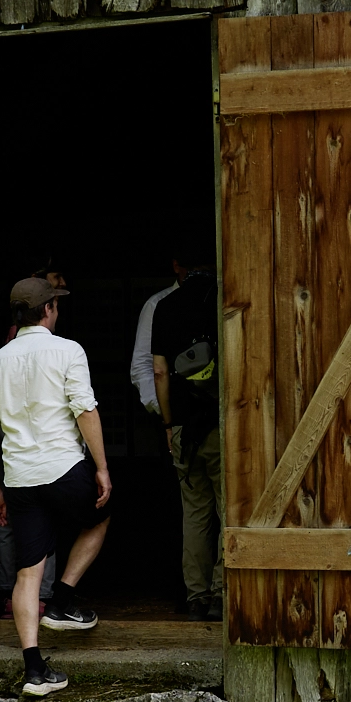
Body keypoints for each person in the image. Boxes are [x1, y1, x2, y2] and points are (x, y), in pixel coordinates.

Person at [0, 275, 112, 695]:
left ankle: (34, 670)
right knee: (100, 516)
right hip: (64, 467)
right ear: (47, 310)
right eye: (56, 304)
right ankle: (64, 601)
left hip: (19, 478)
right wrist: (103, 468)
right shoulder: (68, 350)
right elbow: (85, 410)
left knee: (27, 572)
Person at [147, 243, 223, 619]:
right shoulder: (223, 300)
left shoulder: (165, 307)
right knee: (229, 510)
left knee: (194, 513)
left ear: (179, 265)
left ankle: (196, 597)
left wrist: (168, 421)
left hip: (183, 427)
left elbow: (159, 370)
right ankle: (224, 593)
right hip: (223, 425)